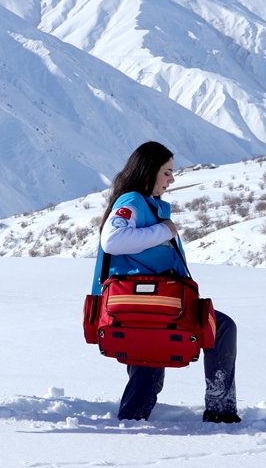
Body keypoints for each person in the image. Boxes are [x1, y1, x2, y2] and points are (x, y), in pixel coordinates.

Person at [90, 141, 240, 423]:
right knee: (220, 328)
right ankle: (220, 410)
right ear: (149, 171)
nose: (171, 180)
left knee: (148, 366)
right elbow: (112, 241)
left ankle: (131, 422)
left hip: (144, 304)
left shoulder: (144, 203)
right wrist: (163, 230)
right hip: (151, 303)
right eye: (167, 172)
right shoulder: (132, 201)